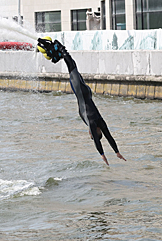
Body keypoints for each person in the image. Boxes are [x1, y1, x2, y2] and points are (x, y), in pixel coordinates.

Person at [37, 37, 126, 166]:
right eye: (91, 134)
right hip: (80, 91)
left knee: (73, 66)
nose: (89, 133)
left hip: (87, 92)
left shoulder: (101, 122)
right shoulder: (91, 122)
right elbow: (98, 141)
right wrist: (102, 155)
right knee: (71, 66)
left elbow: (109, 137)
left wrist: (117, 152)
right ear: (94, 132)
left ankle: (57, 53)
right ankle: (58, 48)